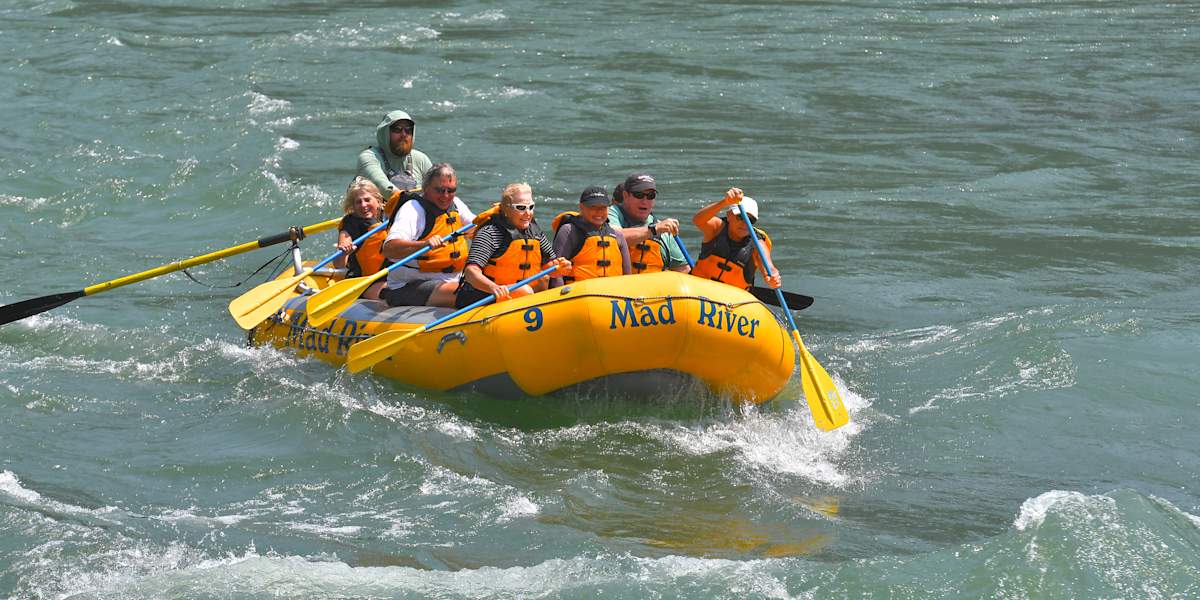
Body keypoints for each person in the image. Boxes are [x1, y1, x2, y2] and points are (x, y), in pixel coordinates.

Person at [457, 183, 570, 308]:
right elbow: (471, 272)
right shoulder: (490, 232)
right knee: (524, 291)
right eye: (521, 208)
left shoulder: (535, 232)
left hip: (520, 293)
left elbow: (549, 265)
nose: (528, 213)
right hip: (485, 294)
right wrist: (494, 288)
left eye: (531, 207)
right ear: (507, 209)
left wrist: (560, 266)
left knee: (544, 279)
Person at [380, 163, 476, 308]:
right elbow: (389, 248)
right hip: (409, 286)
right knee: (472, 294)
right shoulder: (412, 209)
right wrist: (423, 245)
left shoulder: (455, 204)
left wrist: (501, 219)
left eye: (451, 190)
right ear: (426, 188)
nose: (445, 196)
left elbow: (477, 229)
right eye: (439, 190)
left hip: (453, 281)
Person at [690, 187, 782, 290]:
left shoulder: (758, 243)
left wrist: (773, 276)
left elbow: (768, 267)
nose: (745, 223)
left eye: (750, 220)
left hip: (732, 300)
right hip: (698, 287)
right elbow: (697, 220)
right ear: (729, 215)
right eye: (741, 217)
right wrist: (725, 202)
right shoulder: (717, 228)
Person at [607, 173, 690, 274]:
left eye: (650, 196)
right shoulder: (611, 213)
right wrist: (654, 230)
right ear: (626, 195)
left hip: (652, 288)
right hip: (614, 287)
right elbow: (613, 238)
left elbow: (683, 269)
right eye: (639, 195)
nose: (644, 201)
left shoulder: (664, 232)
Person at [356, 109, 433, 212]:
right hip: (377, 221)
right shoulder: (368, 157)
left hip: (415, 218)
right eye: (397, 129)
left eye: (408, 130)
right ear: (385, 132)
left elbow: (438, 189)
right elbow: (383, 186)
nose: (404, 134)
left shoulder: (421, 159)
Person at [552, 185, 631, 282]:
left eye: (603, 207)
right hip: (579, 293)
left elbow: (628, 276)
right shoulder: (569, 231)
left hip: (612, 293)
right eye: (593, 207)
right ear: (581, 207)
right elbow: (556, 273)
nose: (599, 212)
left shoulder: (617, 236)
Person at [333, 177, 388, 299]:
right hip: (364, 282)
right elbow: (338, 264)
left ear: (378, 200)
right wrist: (344, 253)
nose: (363, 205)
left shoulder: (391, 216)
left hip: (394, 276)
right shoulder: (350, 223)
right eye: (358, 202)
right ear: (353, 206)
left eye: (367, 200)